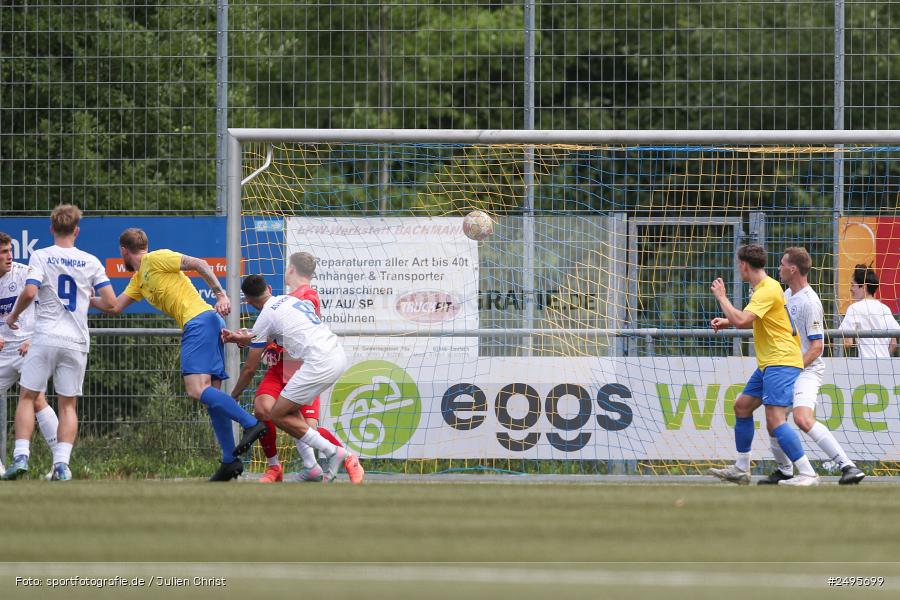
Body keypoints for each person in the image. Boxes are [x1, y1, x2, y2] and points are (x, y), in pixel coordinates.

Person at [92, 228, 266, 481]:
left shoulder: (155, 258)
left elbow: (200, 264)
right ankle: (229, 460)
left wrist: (220, 293)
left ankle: (251, 424)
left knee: (195, 389)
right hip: (206, 323)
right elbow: (114, 306)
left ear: (123, 251)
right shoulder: (139, 278)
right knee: (210, 396)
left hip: (200, 322)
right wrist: (86, 298)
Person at [3, 206, 117, 481]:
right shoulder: (91, 261)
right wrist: (87, 299)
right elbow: (112, 304)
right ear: (77, 230)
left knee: (28, 397)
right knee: (68, 405)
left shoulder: (41, 255)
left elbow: (30, 291)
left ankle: (21, 455)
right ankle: (62, 465)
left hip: (44, 338)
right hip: (76, 340)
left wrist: (14, 316)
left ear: (52, 228)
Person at [222, 274, 364, 484]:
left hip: (316, 364)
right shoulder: (290, 300)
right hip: (335, 354)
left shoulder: (265, 316)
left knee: (278, 414)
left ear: (248, 301)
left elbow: (250, 368)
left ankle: (336, 452)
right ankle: (310, 466)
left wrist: (232, 396)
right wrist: (244, 337)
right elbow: (273, 333)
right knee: (281, 411)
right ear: (268, 289)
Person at [708, 244, 819, 486]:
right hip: (770, 362)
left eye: (739, 265)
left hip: (781, 361)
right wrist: (728, 321)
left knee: (776, 420)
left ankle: (807, 472)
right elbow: (752, 321)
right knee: (742, 406)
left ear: (744, 265)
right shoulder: (765, 288)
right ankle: (741, 468)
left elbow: (743, 321)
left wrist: (722, 297)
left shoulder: (767, 289)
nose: (739, 269)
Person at [756, 247, 864, 486]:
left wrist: (791, 368)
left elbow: (817, 347)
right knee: (774, 421)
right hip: (788, 367)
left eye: (782, 264)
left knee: (802, 419)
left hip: (806, 370)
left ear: (793, 269)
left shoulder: (810, 302)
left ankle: (848, 466)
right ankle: (785, 470)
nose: (779, 268)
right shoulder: (785, 296)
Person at [0, 231, 61, 480]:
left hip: (29, 346)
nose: (9, 257)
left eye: (10, 251)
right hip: (3, 353)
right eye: (3, 252)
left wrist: (32, 338)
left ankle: (61, 463)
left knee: (36, 399)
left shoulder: (24, 273)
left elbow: (50, 306)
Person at [839, 264, 899, 358]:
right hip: (886, 366)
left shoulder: (854, 308)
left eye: (853, 285)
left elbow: (848, 342)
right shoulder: (885, 309)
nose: (850, 289)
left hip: (866, 366)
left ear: (864, 287)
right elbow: (893, 344)